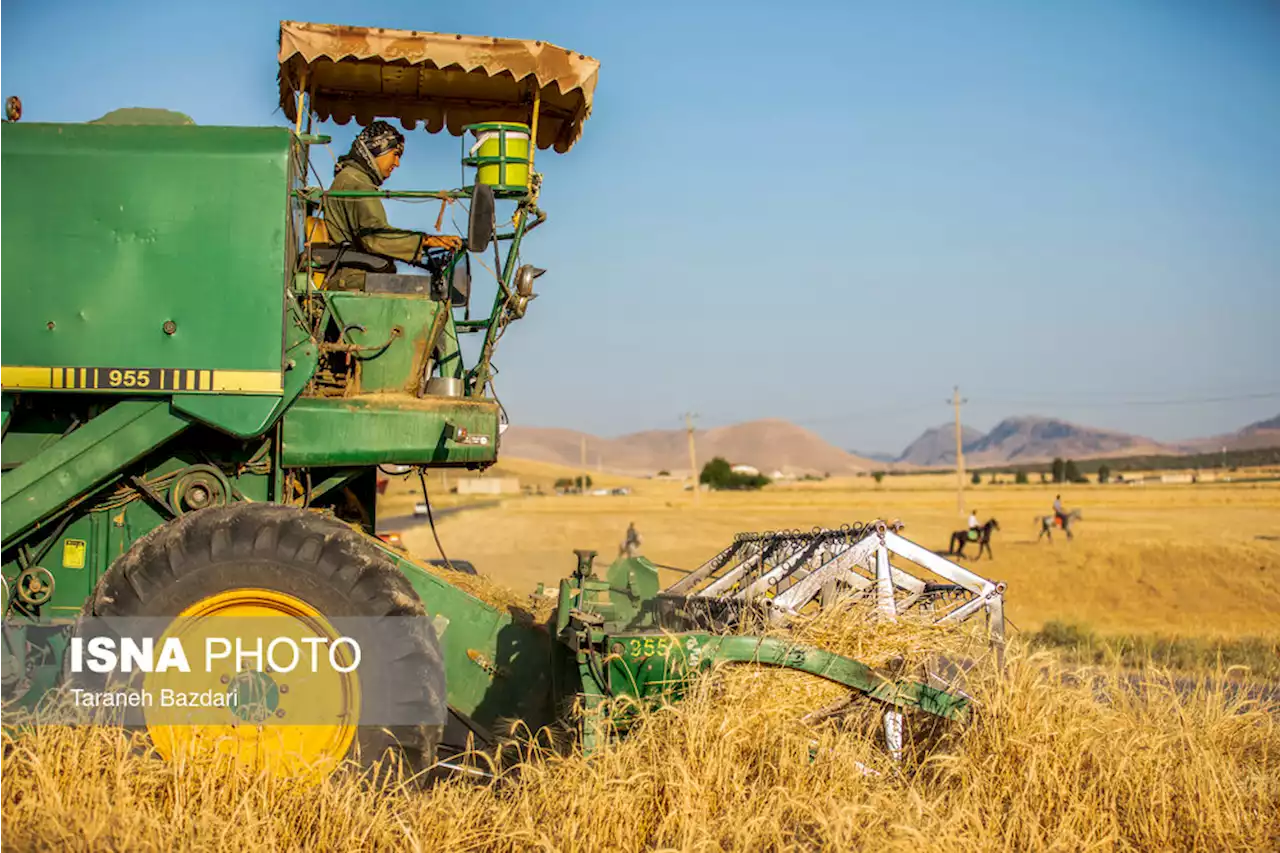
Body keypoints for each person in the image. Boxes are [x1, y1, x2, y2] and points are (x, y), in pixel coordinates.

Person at [322, 121, 429, 291]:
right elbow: (374, 238)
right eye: (395, 154)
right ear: (378, 149)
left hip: (354, 274)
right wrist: (425, 242)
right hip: (352, 278)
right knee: (424, 290)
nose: (397, 163)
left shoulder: (351, 177)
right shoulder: (357, 182)